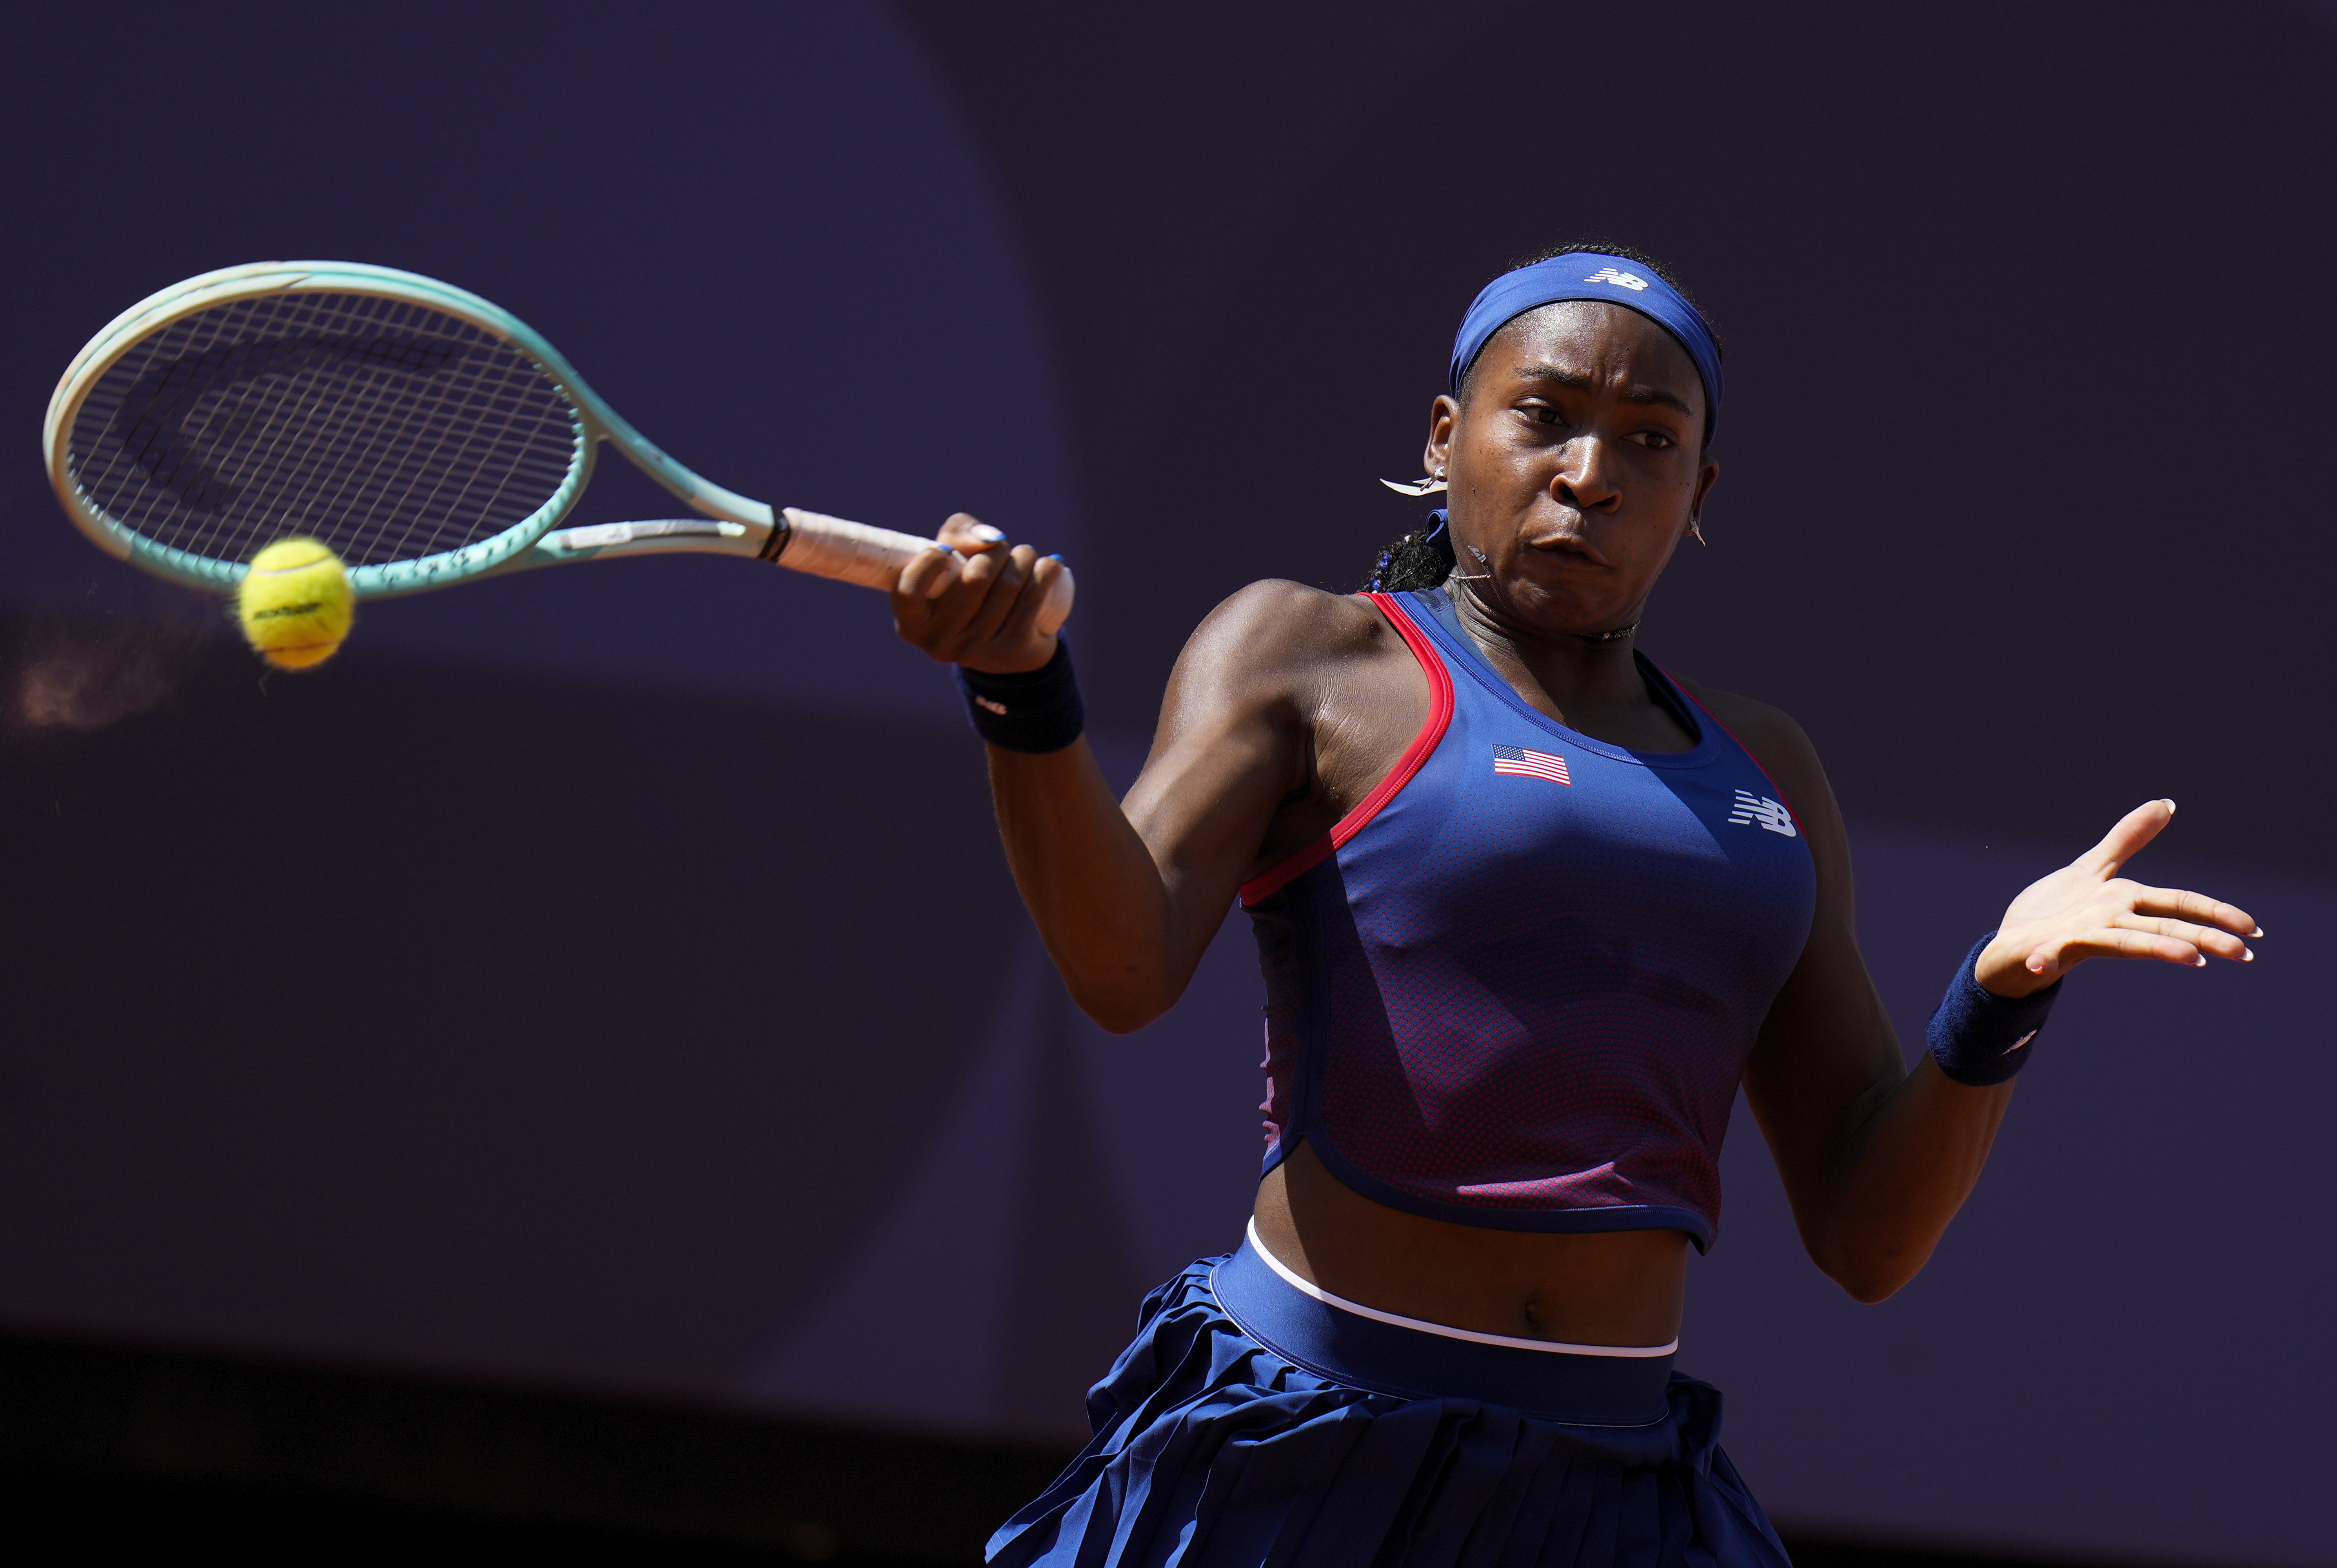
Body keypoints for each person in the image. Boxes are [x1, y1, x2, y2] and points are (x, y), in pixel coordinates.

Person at [888, 245, 2260, 1567]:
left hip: (1614, 1494)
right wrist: (1024, 692)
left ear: (1698, 490)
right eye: (1543, 416)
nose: (1590, 475)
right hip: (1303, 1444)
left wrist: (1999, 996)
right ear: (1445, 439)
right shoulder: (1308, 652)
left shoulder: (1769, 769)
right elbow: (1123, 966)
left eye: (1650, 439)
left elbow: (1866, 1235)